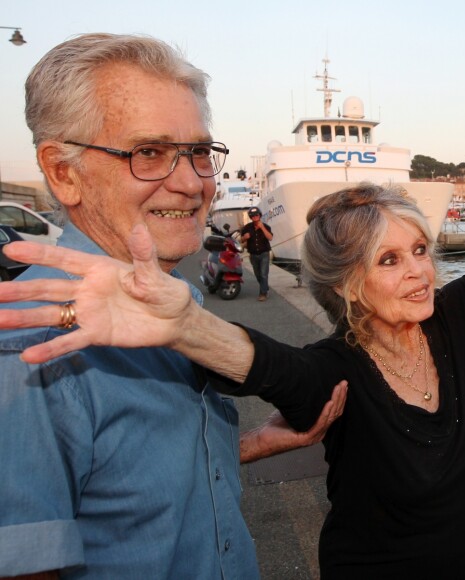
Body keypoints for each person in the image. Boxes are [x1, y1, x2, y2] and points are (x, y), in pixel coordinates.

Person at [2, 199, 465, 578]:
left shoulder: (455, 316)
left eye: (421, 250)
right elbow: (271, 366)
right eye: (390, 259)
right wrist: (186, 327)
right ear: (351, 285)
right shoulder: (335, 368)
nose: (419, 271)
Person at [0, 33, 347, 580]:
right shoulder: (33, 350)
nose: (191, 183)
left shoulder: (171, 299)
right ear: (64, 172)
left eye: (199, 153)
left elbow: (128, 477)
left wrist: (255, 443)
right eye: (149, 153)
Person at [241, 206, 273, 301]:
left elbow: (270, 237)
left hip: (264, 254)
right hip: (253, 255)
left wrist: (262, 227)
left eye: (257, 215)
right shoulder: (247, 227)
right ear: (251, 217)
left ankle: (263, 294)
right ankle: (265, 287)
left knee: (264, 274)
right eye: (253, 216)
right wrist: (244, 238)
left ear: (260, 215)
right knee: (257, 274)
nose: (255, 217)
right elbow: (241, 240)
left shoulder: (266, 227)